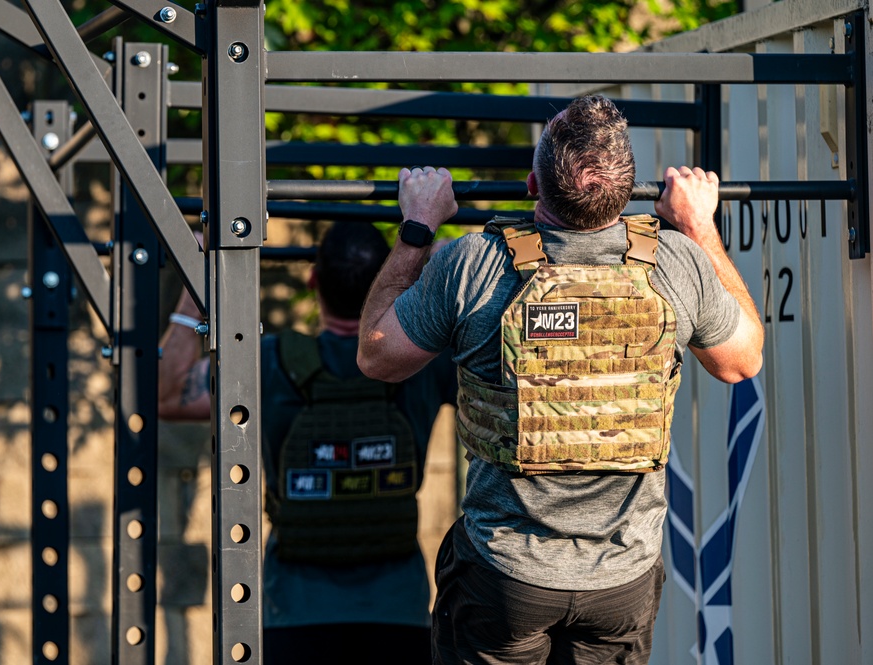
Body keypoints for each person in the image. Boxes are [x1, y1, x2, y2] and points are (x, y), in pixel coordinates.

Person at [357, 95, 764, 664]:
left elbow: (376, 357)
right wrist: (700, 228)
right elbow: (742, 361)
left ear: (531, 185)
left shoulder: (473, 262)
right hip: (622, 579)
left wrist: (418, 229)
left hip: (504, 577)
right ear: (627, 194)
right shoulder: (676, 261)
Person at [158, 221, 458, 665]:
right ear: (396, 276)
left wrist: (194, 281)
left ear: (313, 280)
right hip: (399, 614)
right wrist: (446, 269)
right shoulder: (425, 362)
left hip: (294, 615)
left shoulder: (268, 362)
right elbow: (517, 379)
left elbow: (168, 393)